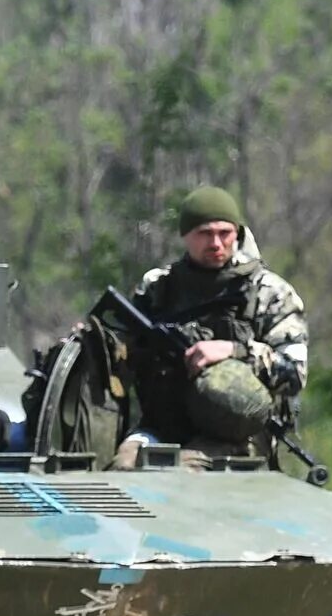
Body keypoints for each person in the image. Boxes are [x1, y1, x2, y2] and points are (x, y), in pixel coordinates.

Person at [110, 185, 307, 469]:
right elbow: (121, 351)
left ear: (237, 233)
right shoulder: (158, 288)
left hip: (237, 436)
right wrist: (95, 341)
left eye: (224, 233)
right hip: (163, 427)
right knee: (123, 469)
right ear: (185, 235)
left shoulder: (269, 293)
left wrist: (234, 351)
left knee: (183, 474)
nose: (216, 243)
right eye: (205, 233)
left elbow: (294, 373)